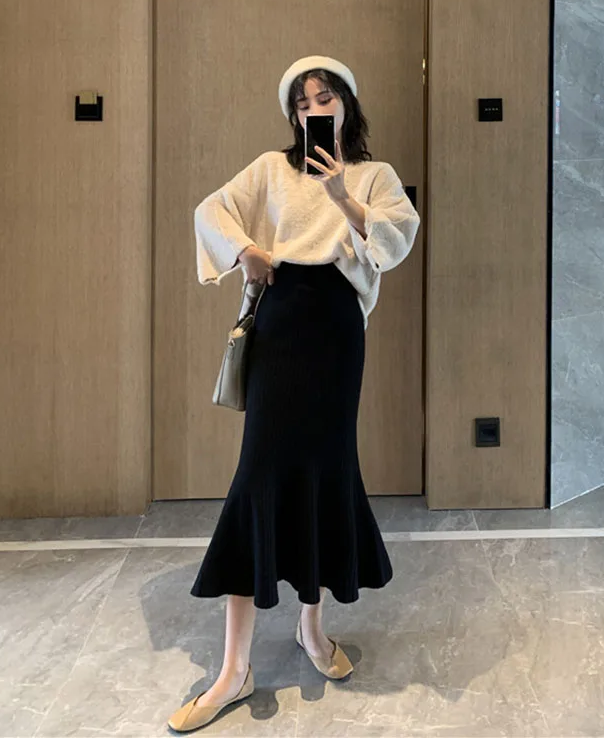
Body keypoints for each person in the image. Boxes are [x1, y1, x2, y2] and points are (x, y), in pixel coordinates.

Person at [167, 56, 420, 733]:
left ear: (346, 104)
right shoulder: (270, 169)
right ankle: (234, 669)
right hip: (280, 324)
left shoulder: (373, 175)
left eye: (324, 97)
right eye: (303, 102)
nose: (314, 109)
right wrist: (244, 250)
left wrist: (342, 195)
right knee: (258, 477)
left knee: (325, 473)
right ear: (293, 115)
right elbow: (210, 210)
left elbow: (393, 243)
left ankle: (311, 628)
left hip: (337, 329)